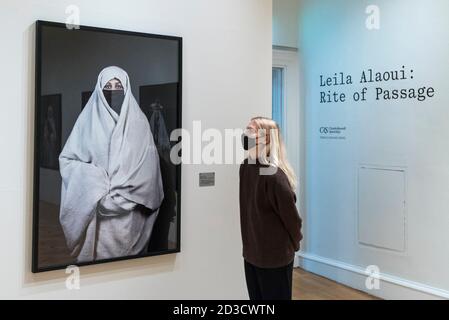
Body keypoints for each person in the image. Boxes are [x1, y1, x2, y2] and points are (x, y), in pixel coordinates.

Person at [59, 66, 164, 263]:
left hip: (130, 216)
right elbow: (67, 161)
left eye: (118, 85)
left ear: (127, 88)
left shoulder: (140, 124)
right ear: (99, 90)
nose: (113, 90)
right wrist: (95, 182)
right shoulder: (86, 123)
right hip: (96, 220)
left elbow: (149, 171)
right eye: (108, 85)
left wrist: (122, 198)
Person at [239, 116, 303, 300]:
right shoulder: (246, 168)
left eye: (251, 130)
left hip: (275, 258)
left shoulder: (274, 177)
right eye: (246, 128)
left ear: (265, 138)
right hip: (252, 254)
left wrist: (294, 244)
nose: (245, 133)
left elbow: (292, 220)